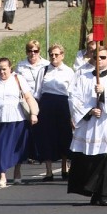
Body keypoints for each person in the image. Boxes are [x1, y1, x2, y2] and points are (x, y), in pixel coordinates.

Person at [67, 47, 107, 206]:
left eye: (103, 57)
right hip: (91, 124)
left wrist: (104, 93)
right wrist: (88, 111)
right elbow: (73, 97)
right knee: (91, 159)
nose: (99, 60)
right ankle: (92, 190)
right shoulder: (83, 77)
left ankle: (104, 194)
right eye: (96, 57)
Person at [0, 58, 39, 187]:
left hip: (18, 119)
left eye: (4, 69)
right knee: (0, 149)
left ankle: (17, 173)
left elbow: (28, 97)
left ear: (10, 68)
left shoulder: (18, 79)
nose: (2, 72)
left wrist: (33, 114)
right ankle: (2, 176)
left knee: (17, 149)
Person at [32, 44, 74, 180]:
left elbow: (72, 93)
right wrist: (35, 111)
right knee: (47, 137)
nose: (54, 57)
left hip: (63, 105)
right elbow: (37, 92)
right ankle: (48, 171)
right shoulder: (43, 70)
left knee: (64, 136)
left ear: (62, 55)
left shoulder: (69, 71)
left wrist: (73, 114)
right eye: (51, 55)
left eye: (56, 54)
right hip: (46, 106)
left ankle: (64, 167)